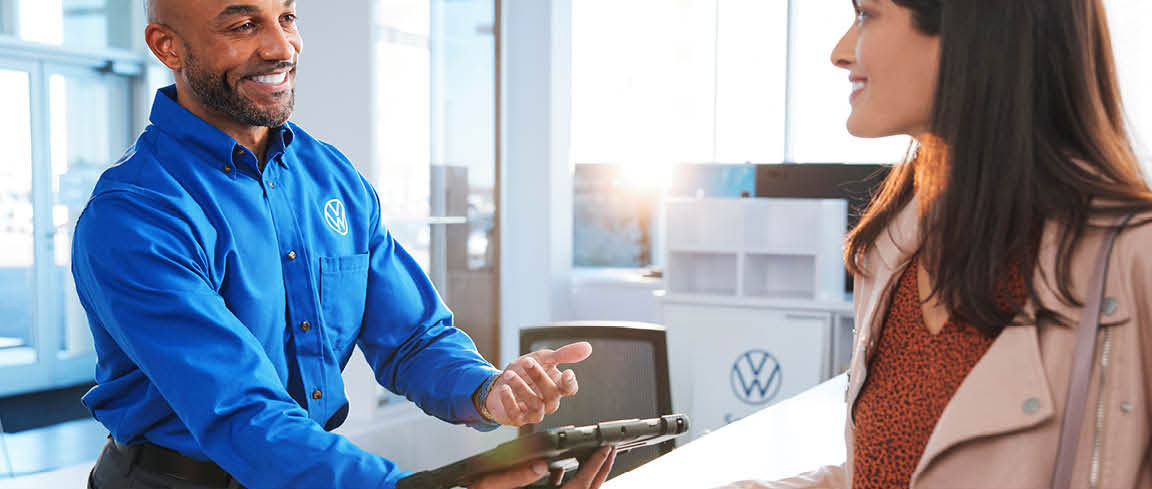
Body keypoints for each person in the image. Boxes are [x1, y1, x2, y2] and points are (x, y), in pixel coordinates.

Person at [72, 1, 614, 488]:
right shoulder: (136, 214)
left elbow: (412, 339)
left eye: (286, 17)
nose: (282, 47)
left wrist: (486, 389)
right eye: (243, 25)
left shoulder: (331, 176)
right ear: (167, 46)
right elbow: (241, 412)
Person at [719, 0, 1152, 487]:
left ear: (973, 26)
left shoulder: (1133, 261)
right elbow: (886, 473)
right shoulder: (889, 251)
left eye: (867, 14)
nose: (840, 53)